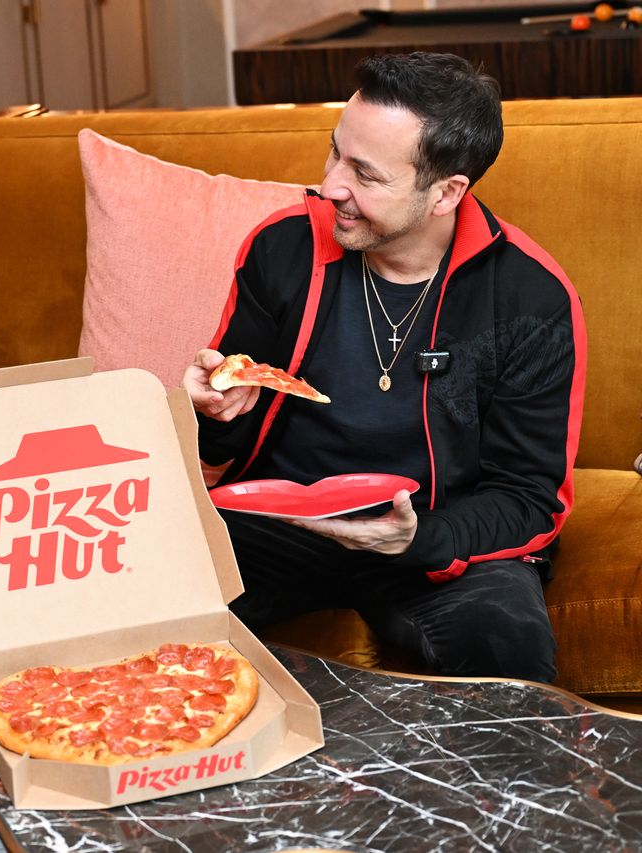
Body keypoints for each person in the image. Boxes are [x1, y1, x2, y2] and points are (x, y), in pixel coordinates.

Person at [186, 52, 585, 683]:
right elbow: (222, 446)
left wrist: (418, 539)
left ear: (446, 192)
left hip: (432, 531)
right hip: (279, 523)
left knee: (508, 654)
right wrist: (212, 412)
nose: (331, 186)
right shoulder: (282, 247)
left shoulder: (530, 296)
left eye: (365, 174)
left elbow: (529, 498)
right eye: (335, 153)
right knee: (124, 596)